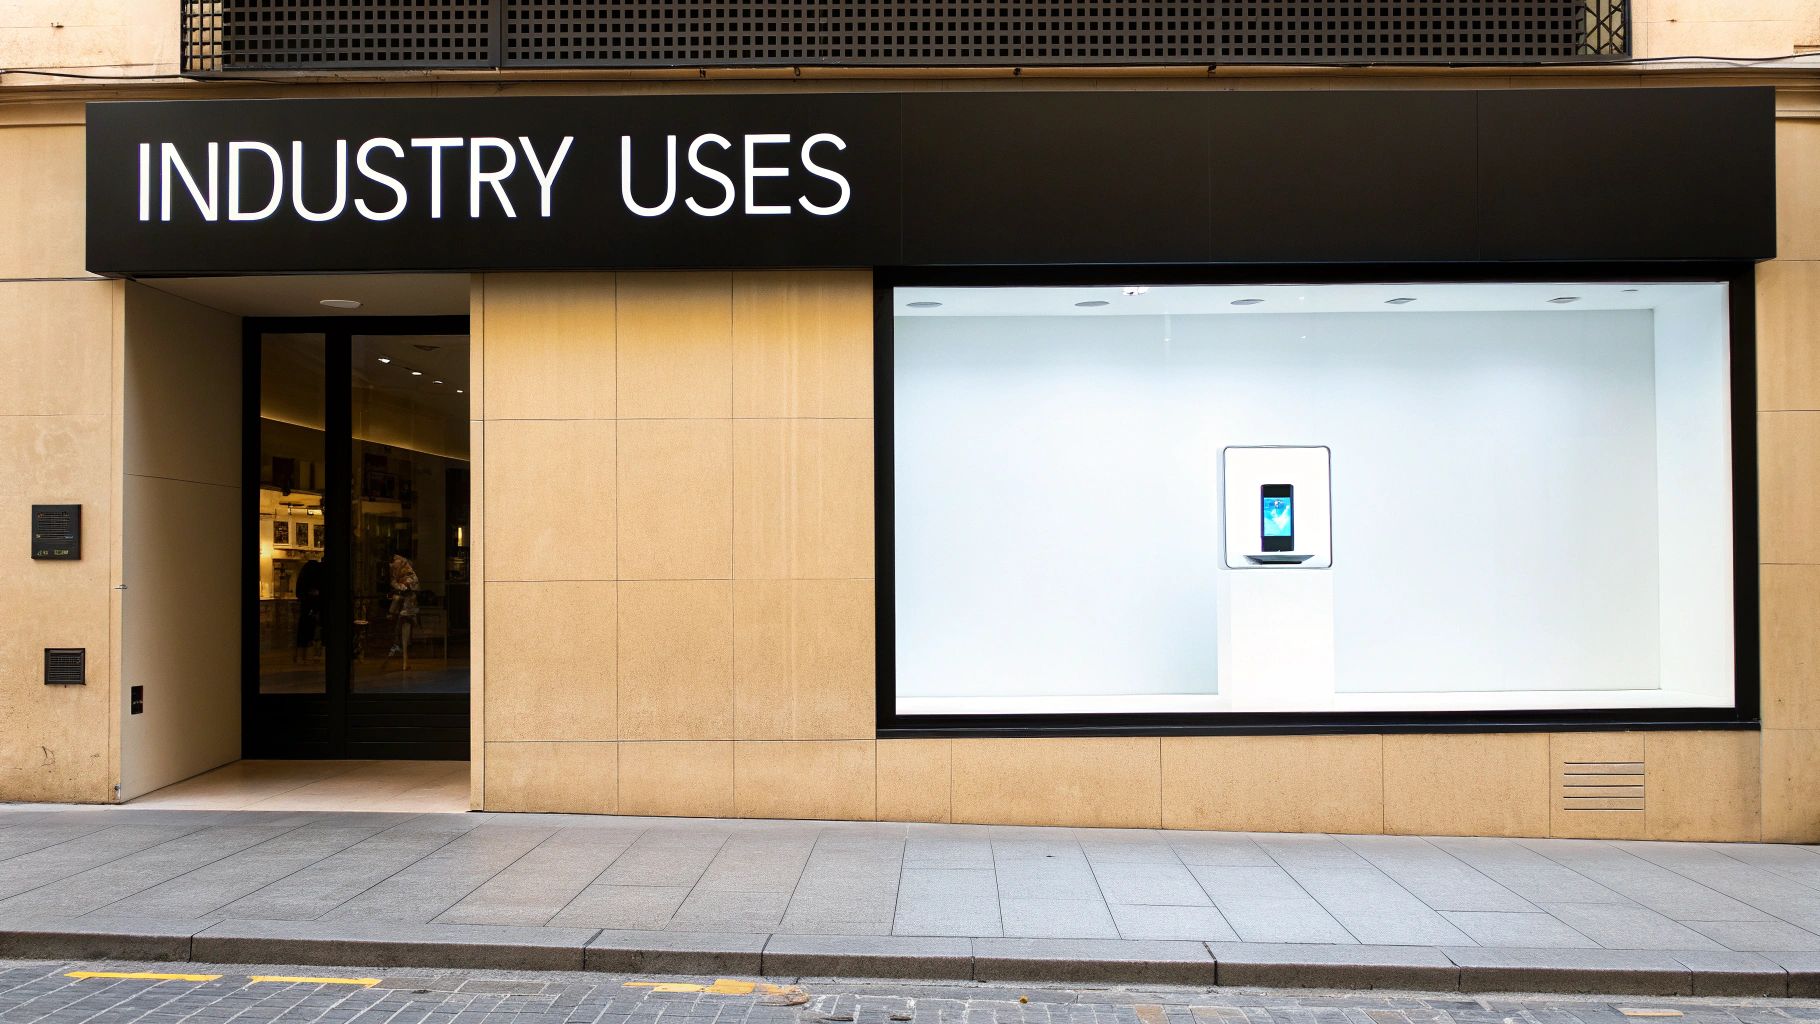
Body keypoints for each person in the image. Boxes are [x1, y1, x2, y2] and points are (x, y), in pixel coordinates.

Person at [385, 552, 419, 662]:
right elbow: (394, 582)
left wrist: (406, 585)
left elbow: (413, 583)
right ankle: (398, 645)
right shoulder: (396, 569)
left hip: (408, 602)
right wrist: (399, 586)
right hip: (401, 601)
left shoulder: (408, 571)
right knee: (398, 623)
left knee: (405, 622)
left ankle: (404, 649)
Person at [293, 558, 324, 663]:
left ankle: (301, 656)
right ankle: (314, 654)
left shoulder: (306, 569)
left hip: (306, 605)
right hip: (315, 604)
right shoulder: (319, 571)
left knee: (304, 629)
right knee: (315, 629)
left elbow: (299, 592)